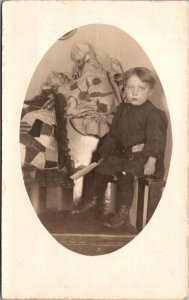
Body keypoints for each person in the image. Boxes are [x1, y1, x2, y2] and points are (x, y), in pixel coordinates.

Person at [73, 67, 168, 230]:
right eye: (131, 88)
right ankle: (95, 201)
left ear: (150, 91)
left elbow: (156, 139)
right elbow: (114, 135)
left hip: (144, 158)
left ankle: (123, 212)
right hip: (124, 155)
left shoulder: (153, 114)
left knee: (125, 173)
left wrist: (151, 161)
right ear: (125, 88)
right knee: (102, 167)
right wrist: (105, 152)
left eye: (141, 89)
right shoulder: (123, 109)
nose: (135, 93)